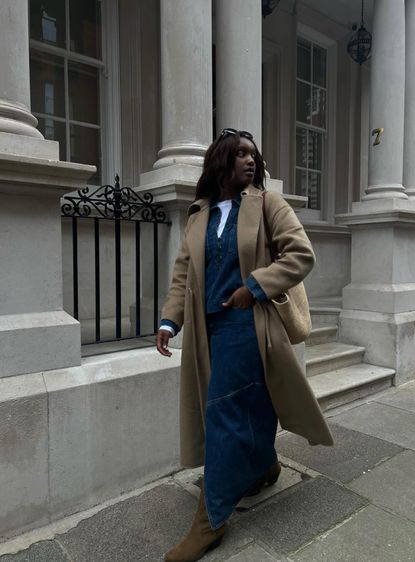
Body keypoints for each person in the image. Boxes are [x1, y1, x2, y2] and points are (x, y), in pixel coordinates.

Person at [156, 128, 333, 562]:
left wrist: (254, 286)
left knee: (222, 416)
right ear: (220, 161)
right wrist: (168, 320)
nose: (249, 162)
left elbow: (300, 254)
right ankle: (264, 465)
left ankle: (210, 521)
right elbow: (183, 276)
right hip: (207, 331)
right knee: (249, 405)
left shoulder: (267, 203)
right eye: (239, 155)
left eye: (253, 155)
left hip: (248, 326)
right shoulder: (198, 215)